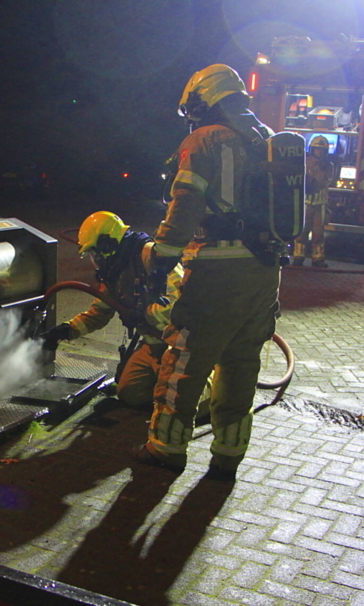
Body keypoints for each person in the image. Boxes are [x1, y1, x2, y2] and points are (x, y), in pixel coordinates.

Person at [134, 64, 282, 480]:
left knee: (184, 360)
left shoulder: (204, 140)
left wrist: (161, 256)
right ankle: (227, 456)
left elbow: (185, 205)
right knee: (240, 363)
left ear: (202, 100)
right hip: (265, 270)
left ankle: (165, 448)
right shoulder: (266, 139)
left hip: (217, 271)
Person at [42, 211, 209, 413]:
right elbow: (100, 312)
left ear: (108, 244)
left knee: (188, 403)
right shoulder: (115, 270)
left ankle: (209, 380)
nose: (94, 260)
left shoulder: (153, 259)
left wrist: (144, 313)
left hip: (182, 343)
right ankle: (166, 390)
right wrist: (67, 330)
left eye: (95, 253)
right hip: (153, 344)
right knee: (130, 393)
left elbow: (180, 306)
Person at [292, 135, 335, 268]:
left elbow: (324, 181)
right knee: (302, 231)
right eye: (317, 150)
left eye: (322, 150)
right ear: (312, 149)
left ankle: (318, 259)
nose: (319, 153)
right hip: (305, 203)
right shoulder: (304, 162)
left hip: (320, 204)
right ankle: (298, 257)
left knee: (318, 232)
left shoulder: (328, 166)